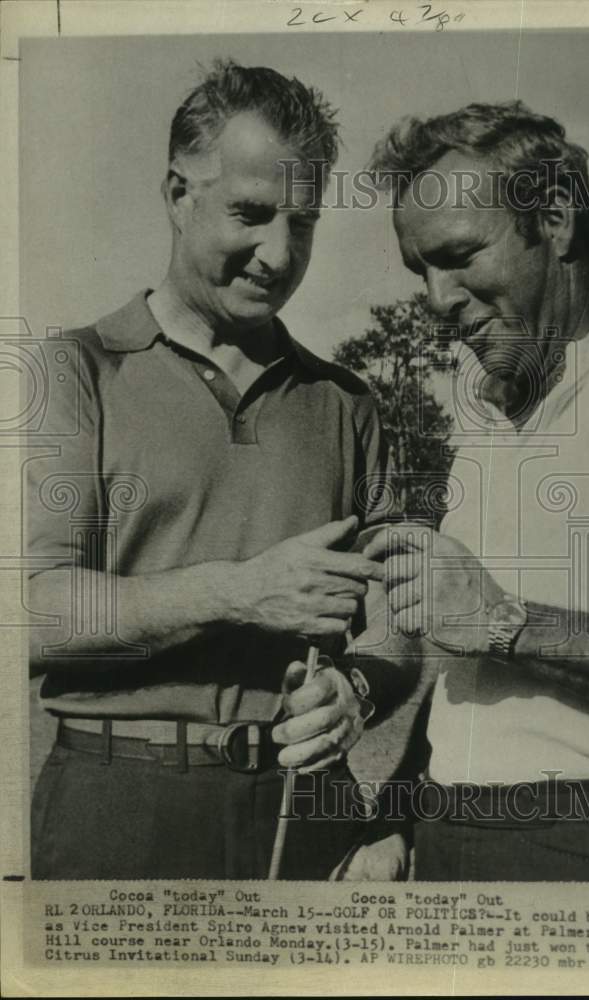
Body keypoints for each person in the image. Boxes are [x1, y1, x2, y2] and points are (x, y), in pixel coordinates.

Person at [27, 59, 397, 880]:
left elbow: (400, 619)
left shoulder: (348, 404)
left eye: (302, 223)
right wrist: (237, 590)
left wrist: (359, 694)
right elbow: (28, 612)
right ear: (176, 193)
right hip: (120, 805)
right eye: (252, 214)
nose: (280, 252)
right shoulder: (73, 372)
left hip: (305, 809)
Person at [356, 101, 589, 881]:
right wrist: (398, 818)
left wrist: (508, 621)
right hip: (450, 844)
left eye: (459, 256)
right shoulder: (487, 424)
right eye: (421, 270)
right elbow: (470, 681)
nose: (438, 298)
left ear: (554, 221)